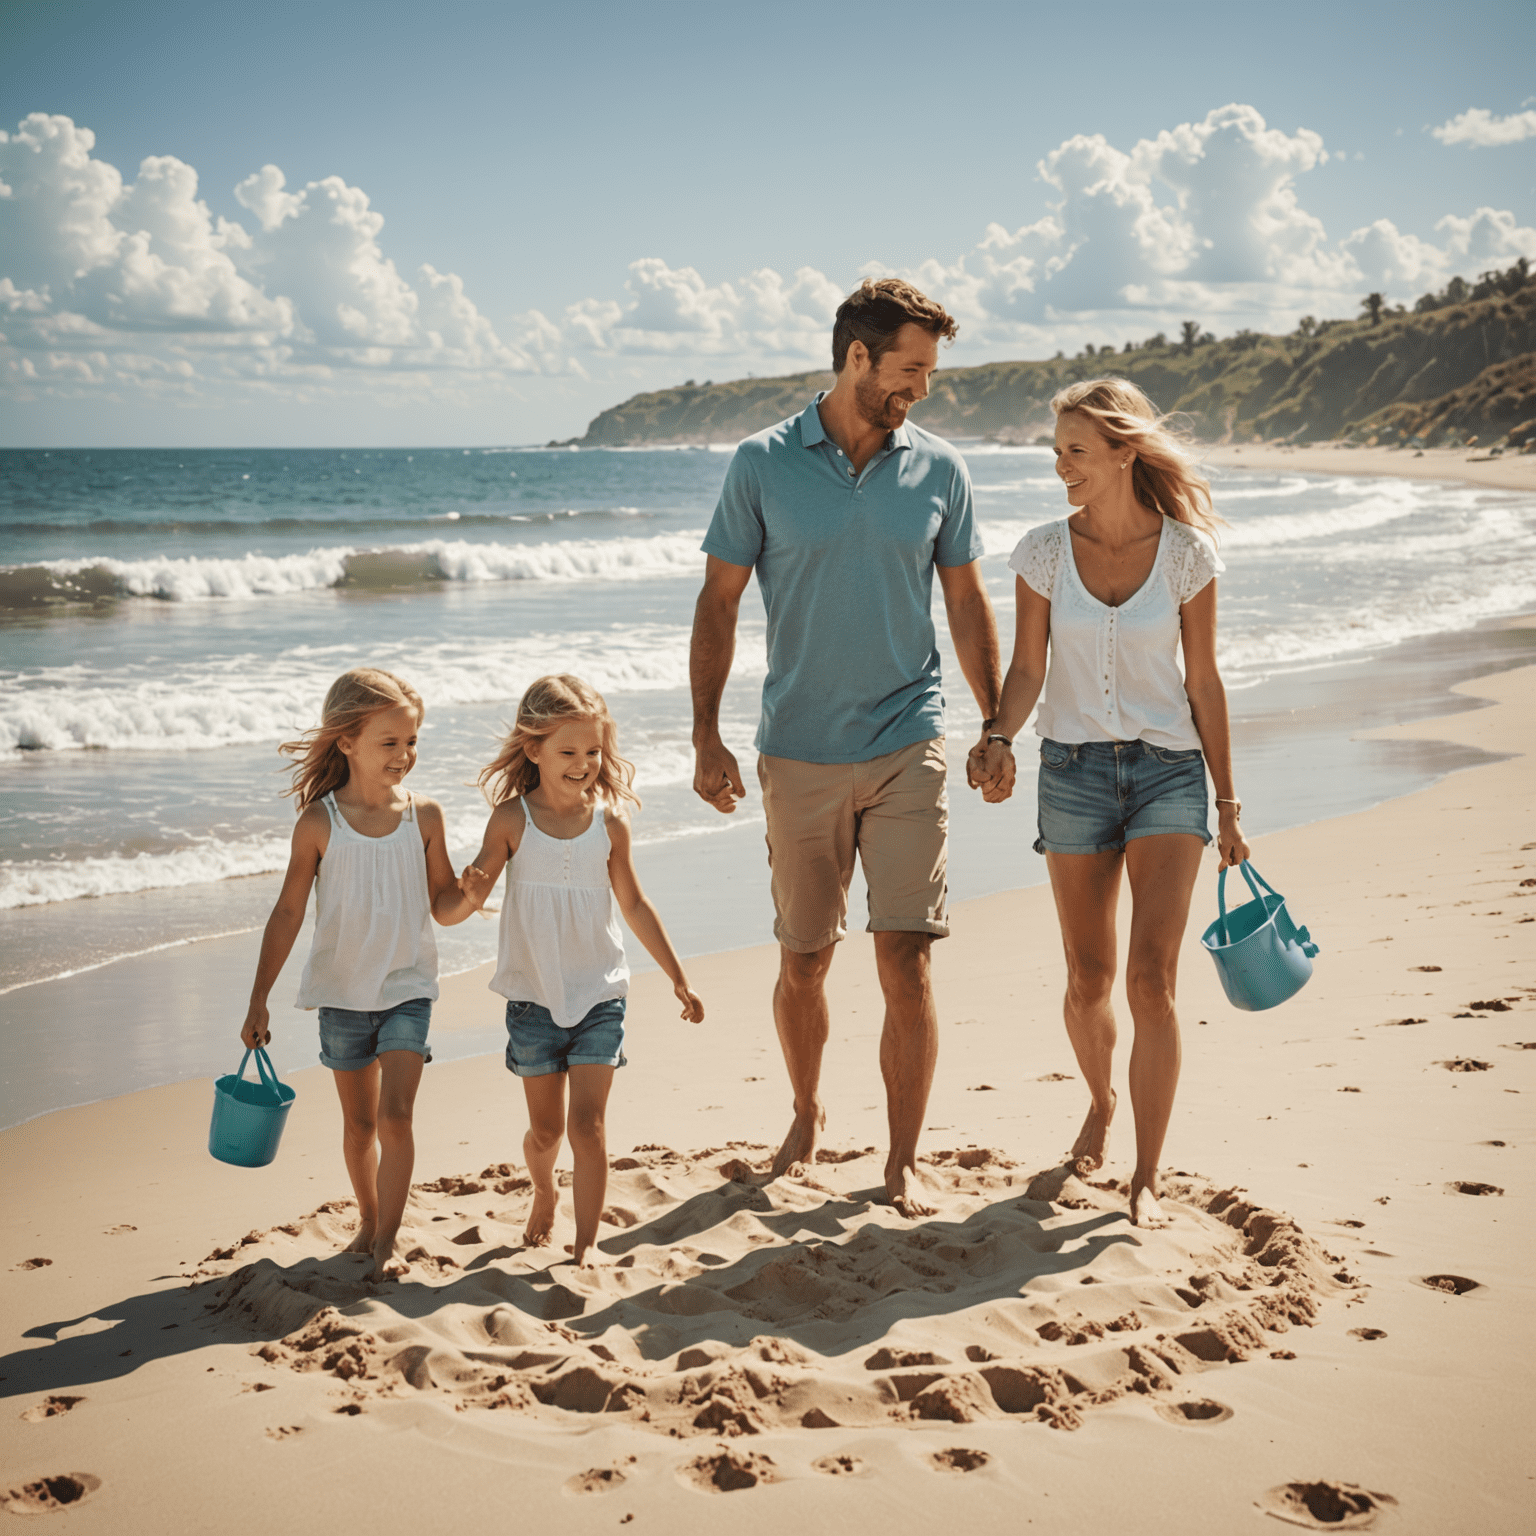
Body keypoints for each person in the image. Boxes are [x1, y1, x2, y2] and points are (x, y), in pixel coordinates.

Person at [689, 278, 1003, 1218]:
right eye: (910, 369)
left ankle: (902, 1158)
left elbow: (967, 602)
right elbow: (718, 602)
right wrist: (705, 737)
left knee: (906, 958)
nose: (923, 389)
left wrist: (994, 725)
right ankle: (806, 1111)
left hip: (911, 738)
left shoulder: (940, 469)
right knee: (805, 959)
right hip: (800, 750)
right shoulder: (761, 463)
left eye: (931, 372)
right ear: (857, 357)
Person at [973, 378, 1251, 1228]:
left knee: (1148, 981)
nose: (1062, 467)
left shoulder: (1187, 556)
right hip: (1073, 773)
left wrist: (1229, 803)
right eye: (1056, 451)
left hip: (1170, 774)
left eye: (1077, 452)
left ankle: (1147, 1175)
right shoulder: (1042, 553)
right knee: (1088, 978)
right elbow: (1026, 670)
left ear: (1125, 453)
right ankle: (1099, 1100)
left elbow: (1202, 681)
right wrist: (995, 737)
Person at [437, 674, 704, 1268]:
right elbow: (459, 910)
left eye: (593, 752)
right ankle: (543, 1187)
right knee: (547, 1135)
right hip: (533, 998)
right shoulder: (511, 821)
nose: (584, 764)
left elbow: (634, 904)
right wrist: (466, 894)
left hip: (600, 993)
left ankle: (585, 1246)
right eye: (569, 752)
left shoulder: (609, 824)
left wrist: (677, 976)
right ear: (532, 750)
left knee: (588, 1129)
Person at [240, 667, 456, 1280]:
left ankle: (387, 1238)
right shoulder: (319, 823)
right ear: (347, 742)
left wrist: (472, 891)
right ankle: (367, 1217)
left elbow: (444, 904)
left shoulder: (426, 817)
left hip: (407, 988)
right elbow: (287, 913)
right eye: (390, 742)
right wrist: (259, 1001)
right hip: (341, 994)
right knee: (360, 1124)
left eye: (412, 741)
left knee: (396, 1117)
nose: (405, 755)